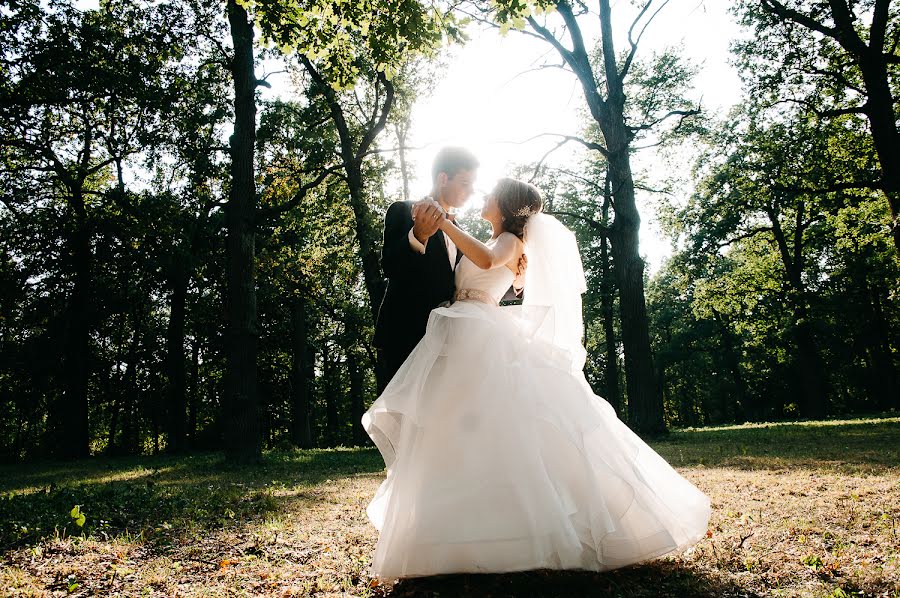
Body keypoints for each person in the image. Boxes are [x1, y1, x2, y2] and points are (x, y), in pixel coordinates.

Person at [362, 178, 711, 580]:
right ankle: (456, 529)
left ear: (506, 205)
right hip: (459, 328)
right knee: (456, 431)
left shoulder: (510, 239)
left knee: (487, 428)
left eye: (491, 193)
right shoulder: (497, 238)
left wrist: (443, 224)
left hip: (478, 332)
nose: (484, 196)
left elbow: (490, 263)